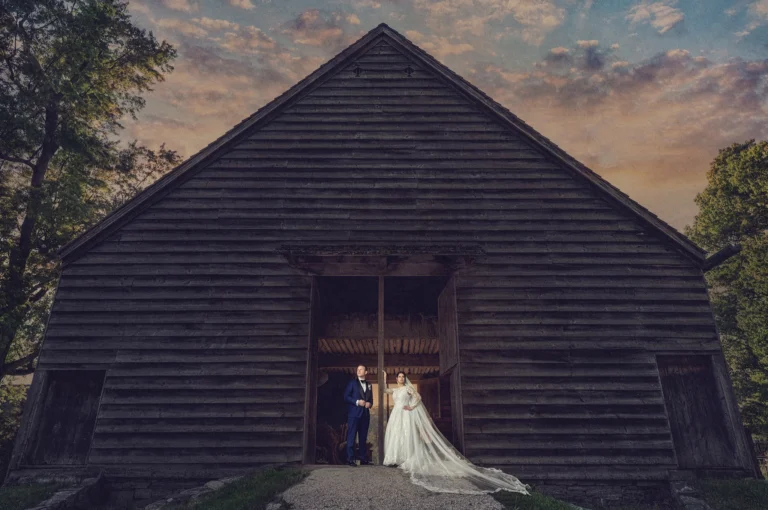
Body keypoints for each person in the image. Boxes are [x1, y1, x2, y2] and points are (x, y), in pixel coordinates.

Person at [382, 370, 530, 496]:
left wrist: (412, 407)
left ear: (404, 378)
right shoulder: (395, 390)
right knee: (397, 435)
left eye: (402, 376)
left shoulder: (408, 388)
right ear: (396, 379)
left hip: (406, 413)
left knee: (407, 435)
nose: (401, 378)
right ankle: (396, 458)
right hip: (396, 414)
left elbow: (418, 398)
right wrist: (383, 378)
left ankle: (407, 457)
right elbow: (384, 390)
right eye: (399, 377)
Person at [343, 364, 373, 466]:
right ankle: (350, 459)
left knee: (363, 437)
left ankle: (363, 459)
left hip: (365, 415)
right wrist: (357, 402)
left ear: (366, 372)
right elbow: (346, 397)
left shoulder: (369, 385)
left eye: (361, 369)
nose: (359, 371)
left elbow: (371, 400)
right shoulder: (352, 383)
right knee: (351, 436)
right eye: (358, 369)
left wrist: (370, 404)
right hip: (354, 414)